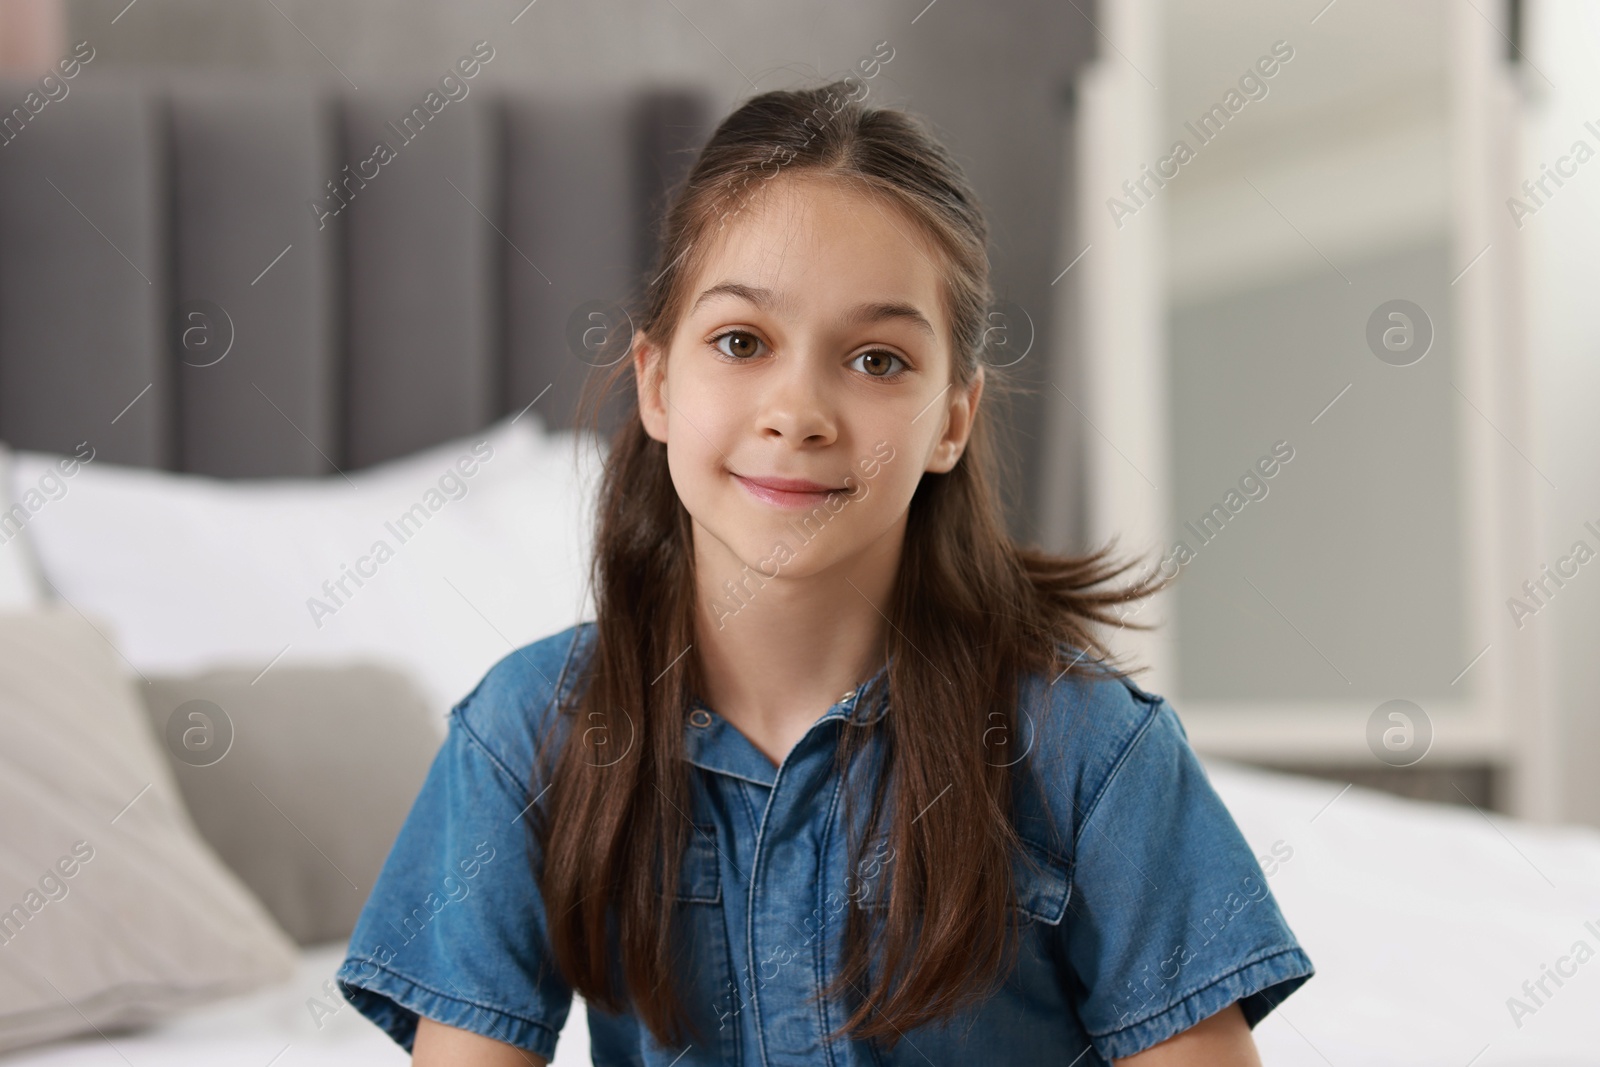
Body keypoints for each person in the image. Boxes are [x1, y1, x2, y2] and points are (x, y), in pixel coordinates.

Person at [336, 79, 1314, 1066]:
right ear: (659, 381)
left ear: (952, 420)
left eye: (878, 359)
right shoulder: (522, 740)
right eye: (740, 341)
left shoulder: (1090, 753)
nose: (797, 410)